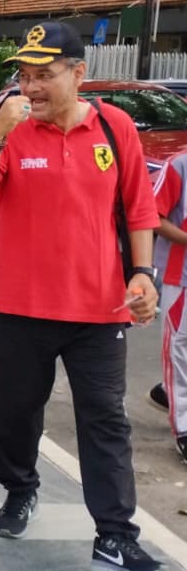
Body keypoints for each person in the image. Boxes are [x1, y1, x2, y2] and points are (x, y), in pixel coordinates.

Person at [0, 23, 163, 571]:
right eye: (25, 77)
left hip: (99, 309)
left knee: (106, 419)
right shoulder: (7, 127)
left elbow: (139, 208)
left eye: (45, 76)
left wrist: (142, 272)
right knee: (17, 413)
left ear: (78, 74)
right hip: (18, 305)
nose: (32, 89)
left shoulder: (115, 127)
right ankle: (20, 487)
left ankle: (115, 533)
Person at [151, 151, 187, 465]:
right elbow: (152, 215)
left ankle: (168, 391)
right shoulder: (179, 165)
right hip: (182, 275)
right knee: (179, 346)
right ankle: (184, 430)